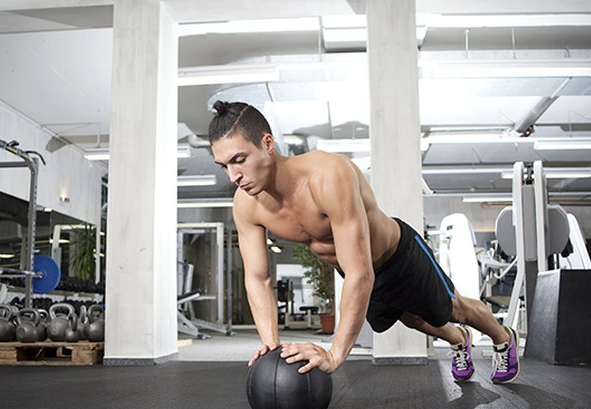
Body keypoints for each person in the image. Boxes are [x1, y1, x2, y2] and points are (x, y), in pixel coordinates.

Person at [208, 100, 520, 384]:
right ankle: (457, 340)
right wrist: (270, 343)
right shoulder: (246, 205)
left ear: (267, 143)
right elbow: (258, 277)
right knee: (411, 319)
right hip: (357, 269)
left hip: (398, 255)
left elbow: (361, 274)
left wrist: (335, 354)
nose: (233, 175)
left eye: (240, 159)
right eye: (224, 166)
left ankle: (502, 338)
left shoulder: (327, 176)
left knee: (452, 308)